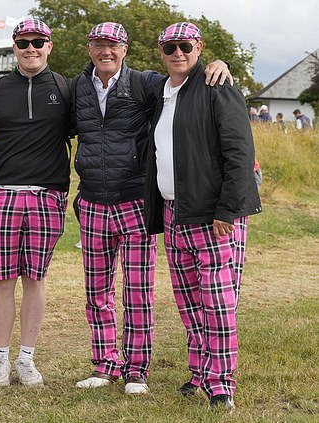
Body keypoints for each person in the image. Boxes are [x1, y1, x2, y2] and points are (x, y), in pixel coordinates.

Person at [71, 21, 231, 395]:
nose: (105, 51)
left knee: (138, 290)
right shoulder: (77, 87)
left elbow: (186, 78)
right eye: (98, 44)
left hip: (136, 200)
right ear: (90, 48)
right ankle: (105, 362)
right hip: (93, 200)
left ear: (124, 48)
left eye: (112, 45)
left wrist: (218, 63)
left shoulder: (145, 82)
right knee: (97, 291)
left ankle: (137, 369)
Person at [144, 22, 261, 411]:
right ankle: (200, 373)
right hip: (175, 212)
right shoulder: (160, 93)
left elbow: (240, 152)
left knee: (218, 303)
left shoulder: (217, 86)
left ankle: (221, 383)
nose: (178, 53)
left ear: (199, 48)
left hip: (213, 215)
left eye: (186, 46)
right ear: (161, 50)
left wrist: (228, 209)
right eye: (170, 47)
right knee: (190, 302)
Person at [0, 17, 71, 387]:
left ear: (49, 46)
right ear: (14, 46)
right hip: (4, 195)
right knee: (3, 281)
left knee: (35, 279)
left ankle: (26, 358)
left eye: (38, 41)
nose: (31, 48)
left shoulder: (65, 88)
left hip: (47, 197)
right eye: (23, 42)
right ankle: (0, 359)